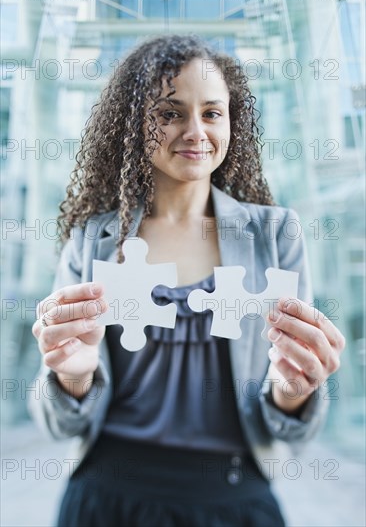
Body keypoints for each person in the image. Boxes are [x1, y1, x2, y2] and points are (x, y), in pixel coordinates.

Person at [29, 34, 345, 527]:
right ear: (135, 125)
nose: (196, 130)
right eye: (170, 112)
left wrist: (295, 388)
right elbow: (55, 422)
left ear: (231, 123)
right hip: (105, 499)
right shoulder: (94, 238)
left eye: (212, 113)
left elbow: (293, 429)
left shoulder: (275, 234)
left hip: (235, 500)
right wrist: (72, 377)